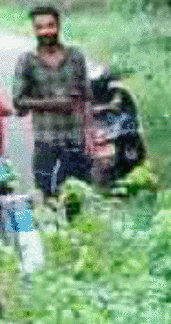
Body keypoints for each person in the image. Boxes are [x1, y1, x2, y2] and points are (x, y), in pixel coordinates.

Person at [11, 5, 92, 199]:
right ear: (34, 30)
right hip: (45, 141)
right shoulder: (27, 62)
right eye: (39, 27)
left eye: (50, 26)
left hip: (75, 139)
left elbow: (87, 98)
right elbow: (18, 102)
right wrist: (54, 104)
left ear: (58, 26)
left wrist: (90, 135)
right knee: (47, 197)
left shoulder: (75, 57)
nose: (45, 31)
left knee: (77, 197)